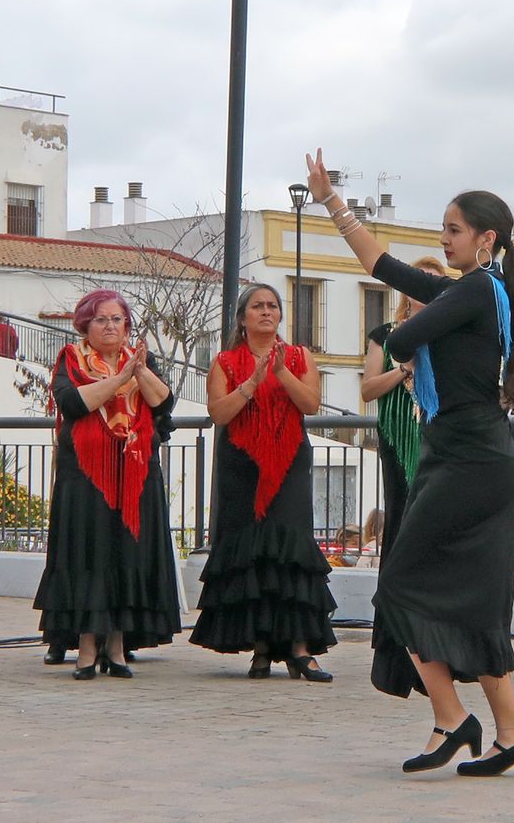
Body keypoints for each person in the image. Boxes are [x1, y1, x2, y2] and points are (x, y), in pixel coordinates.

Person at [308, 149, 514, 778]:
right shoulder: (471, 290)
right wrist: (331, 202)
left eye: (453, 229)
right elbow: (380, 265)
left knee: (401, 585)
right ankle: (511, 733)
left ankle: (455, 719)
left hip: (470, 458)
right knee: (469, 600)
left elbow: (402, 338)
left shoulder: (479, 290)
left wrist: (408, 344)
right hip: (464, 453)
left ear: (485, 239)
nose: (443, 238)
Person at [189, 283, 337, 681]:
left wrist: (281, 373)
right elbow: (219, 413)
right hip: (242, 465)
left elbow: (310, 404)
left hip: (288, 461)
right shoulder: (225, 361)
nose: (267, 312)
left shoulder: (298, 356)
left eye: (272, 306)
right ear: (243, 318)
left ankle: (301, 649)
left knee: (290, 550)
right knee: (252, 551)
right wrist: (251, 384)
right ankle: (261, 647)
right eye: (258, 306)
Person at [34, 289, 181, 680]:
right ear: (86, 325)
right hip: (86, 478)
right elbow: (72, 403)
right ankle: (86, 647)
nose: (110, 326)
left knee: (126, 555)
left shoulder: (140, 360)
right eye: (101, 320)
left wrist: (139, 371)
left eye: (117, 319)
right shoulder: (72, 359)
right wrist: (119, 378)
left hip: (135, 475)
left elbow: (164, 403)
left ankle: (116, 646)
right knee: (89, 557)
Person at [360, 256, 447, 567]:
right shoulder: (385, 335)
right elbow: (368, 389)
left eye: (431, 279)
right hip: (397, 436)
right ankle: (392, 587)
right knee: (398, 509)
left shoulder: (448, 336)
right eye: (418, 278)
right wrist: (404, 370)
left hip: (439, 436)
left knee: (436, 512)